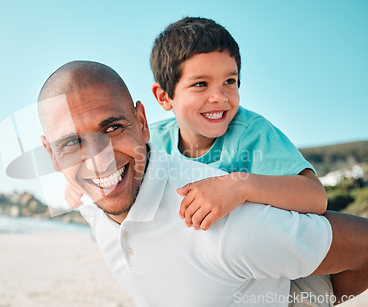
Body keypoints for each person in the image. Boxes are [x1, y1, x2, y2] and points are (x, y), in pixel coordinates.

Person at [38, 60, 368, 307]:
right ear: (52, 156)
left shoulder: (227, 228)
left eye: (112, 128)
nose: (99, 161)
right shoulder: (88, 198)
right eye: (72, 144)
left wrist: (314, 301)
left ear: (141, 121)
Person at [149, 17, 326, 232]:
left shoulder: (252, 132)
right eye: (200, 84)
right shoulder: (152, 142)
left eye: (229, 81)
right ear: (164, 96)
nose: (219, 96)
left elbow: (316, 196)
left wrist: (240, 186)